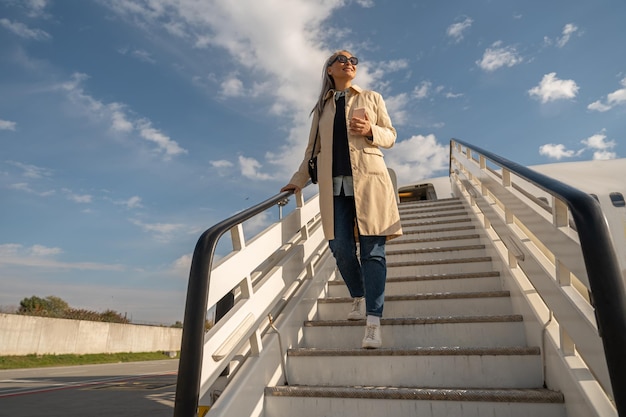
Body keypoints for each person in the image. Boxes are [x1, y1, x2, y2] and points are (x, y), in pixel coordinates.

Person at [281, 50, 402, 349]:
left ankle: (373, 321)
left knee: (373, 251)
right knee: (340, 247)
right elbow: (312, 151)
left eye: (354, 60)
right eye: (341, 59)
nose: (350, 63)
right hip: (333, 187)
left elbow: (391, 135)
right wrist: (296, 182)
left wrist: (371, 130)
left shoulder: (371, 98)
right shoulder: (321, 109)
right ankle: (358, 295)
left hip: (370, 181)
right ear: (330, 69)